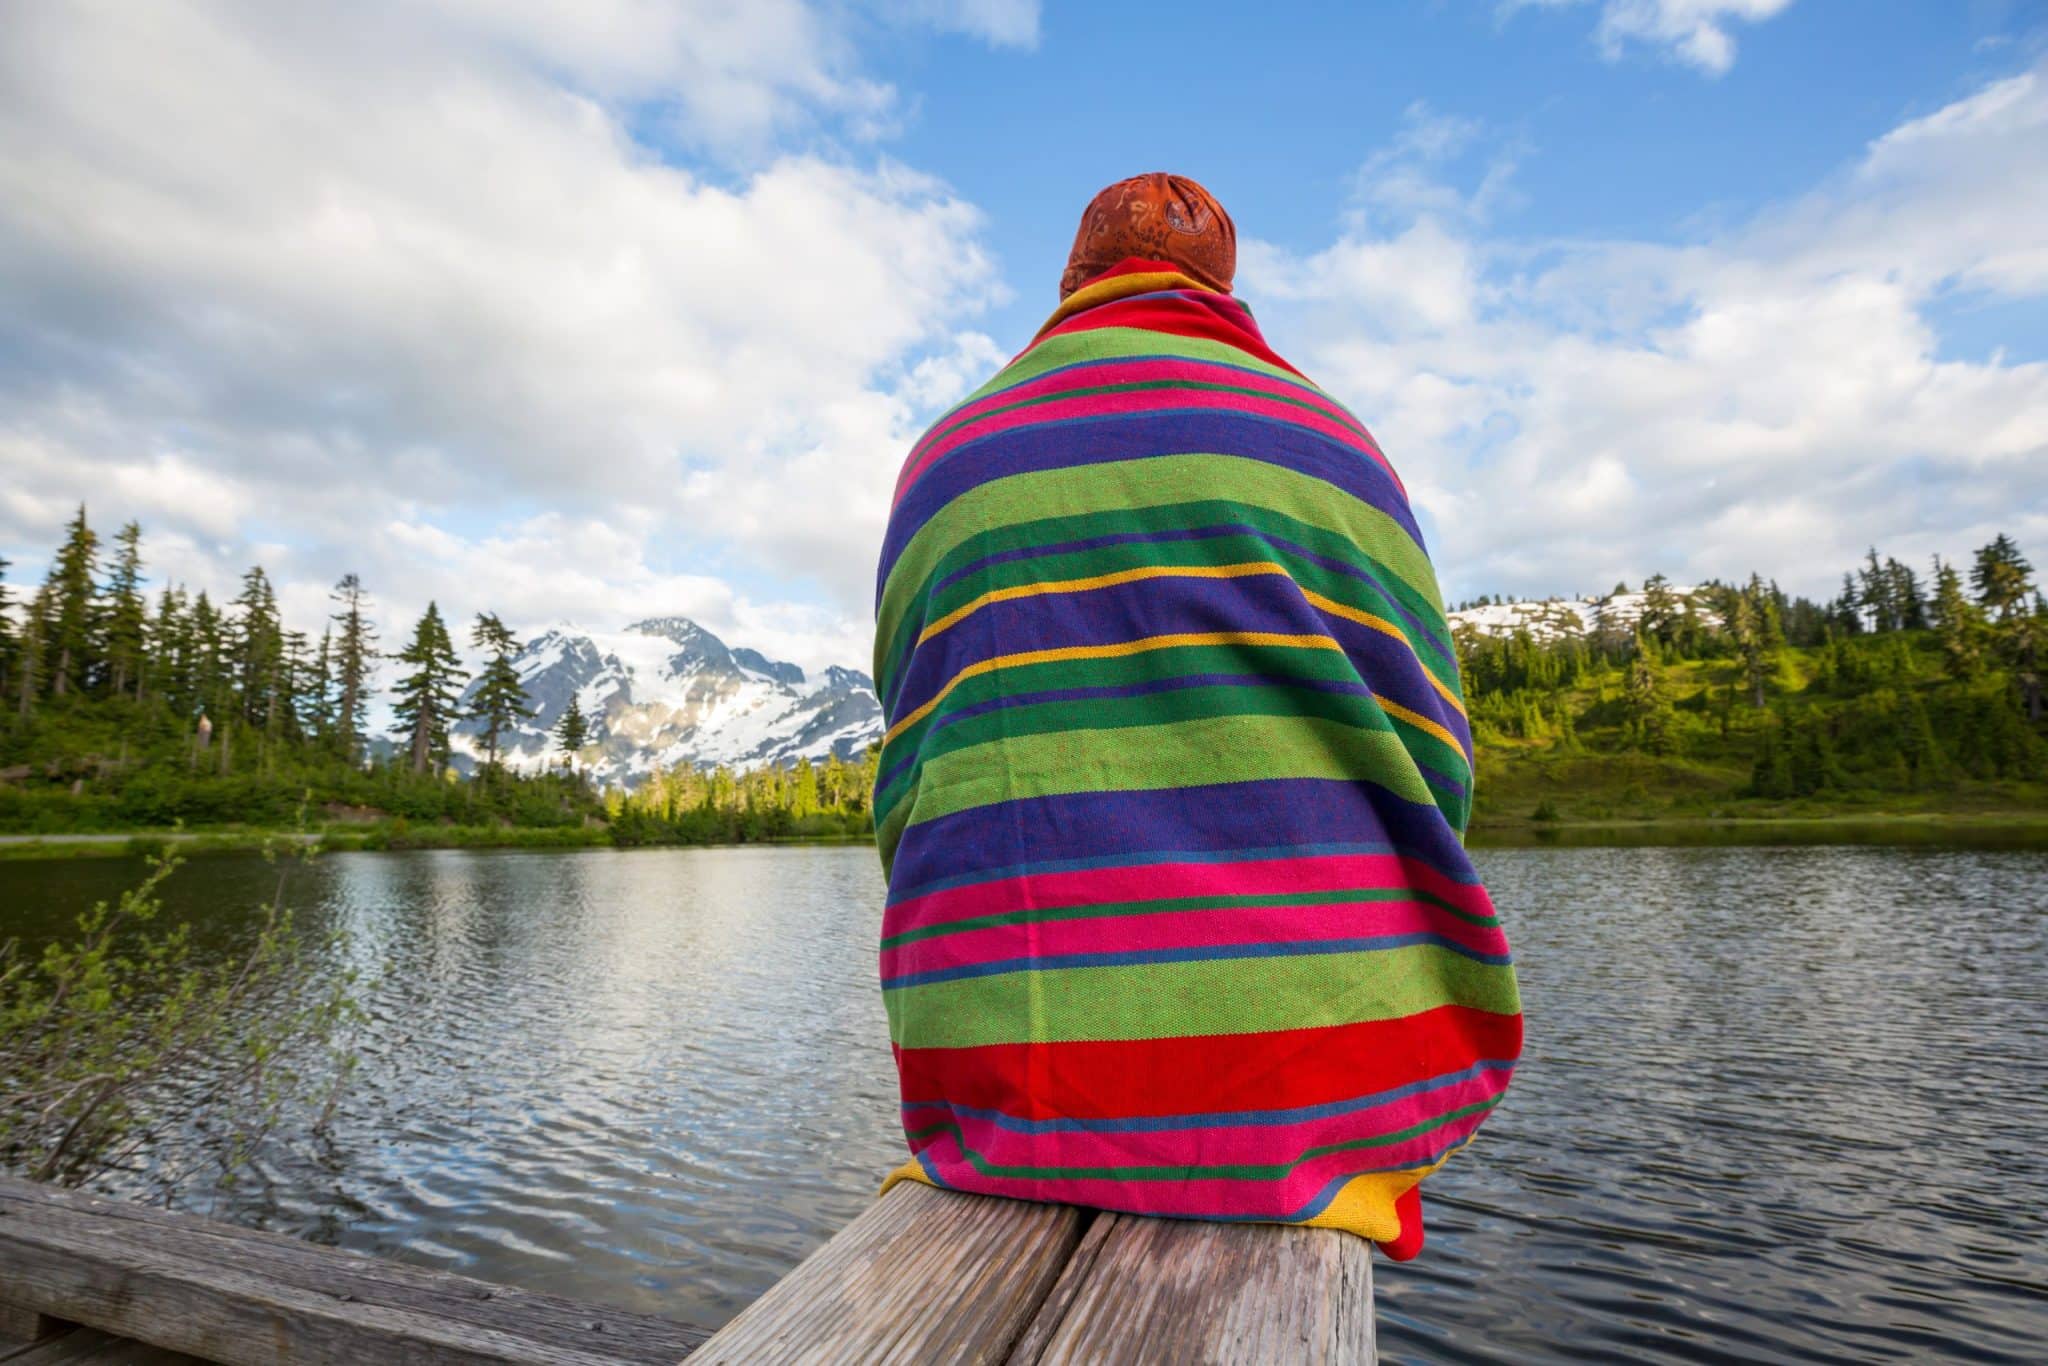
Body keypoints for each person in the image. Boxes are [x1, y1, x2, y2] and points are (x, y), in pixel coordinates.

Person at [869, 173, 1521, 1261]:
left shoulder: (942, 457)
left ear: (1073, 280)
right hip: (1312, 1085)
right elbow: (1437, 766)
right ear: (1222, 285)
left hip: (1001, 1083)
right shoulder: (1337, 444)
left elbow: (910, 774)